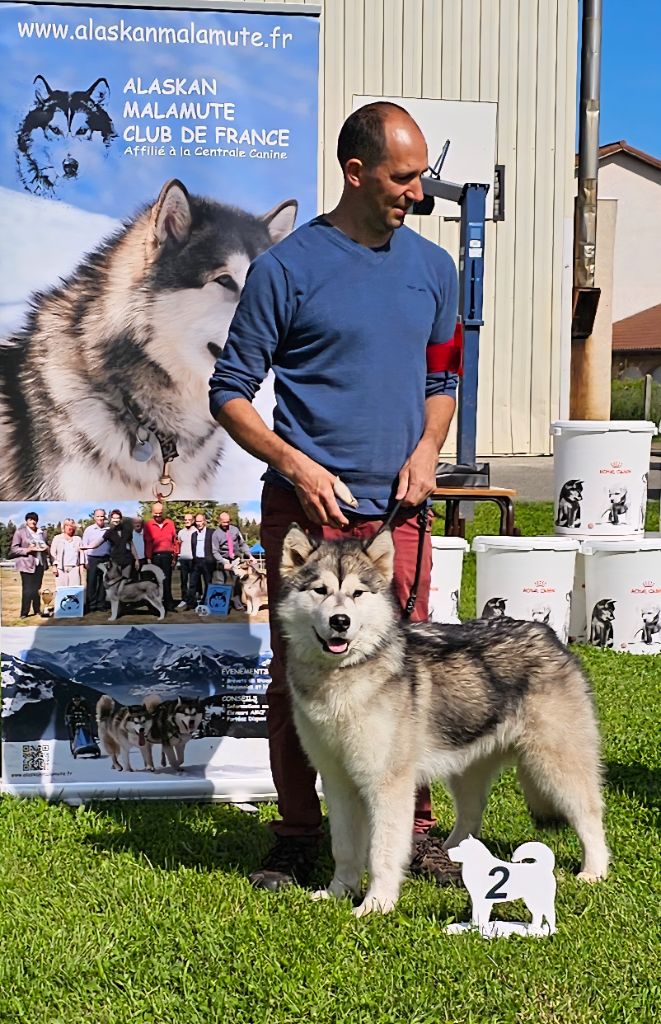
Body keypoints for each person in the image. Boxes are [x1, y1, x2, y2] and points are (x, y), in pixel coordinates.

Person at [209, 101, 459, 891]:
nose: (417, 193)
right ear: (356, 172)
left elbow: (444, 378)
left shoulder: (433, 270)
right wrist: (296, 464)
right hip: (306, 514)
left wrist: (427, 449)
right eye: (402, 177)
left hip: (396, 515)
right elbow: (229, 392)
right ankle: (297, 834)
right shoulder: (285, 269)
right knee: (302, 671)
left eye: (420, 177)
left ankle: (410, 833)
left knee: (405, 674)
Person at [212, 510, 257, 610]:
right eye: (224, 522)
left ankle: (238, 603)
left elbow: (242, 544)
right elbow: (215, 551)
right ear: (219, 521)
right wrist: (223, 562)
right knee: (221, 582)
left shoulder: (235, 530)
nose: (226, 524)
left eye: (228, 522)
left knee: (237, 582)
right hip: (223, 559)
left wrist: (249, 555)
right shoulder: (216, 534)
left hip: (236, 559)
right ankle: (222, 605)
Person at [10, 510, 50, 618]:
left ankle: (37, 610)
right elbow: (14, 549)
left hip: (39, 564)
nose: (33, 522)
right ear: (26, 521)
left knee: (37, 589)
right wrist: (27, 550)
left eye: (35, 520)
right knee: (27, 590)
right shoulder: (20, 532)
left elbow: (46, 546)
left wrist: (47, 549)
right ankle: (24, 613)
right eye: (31, 519)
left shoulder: (42, 533)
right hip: (26, 565)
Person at [143, 502, 179, 611]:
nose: (158, 515)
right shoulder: (148, 524)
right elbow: (147, 542)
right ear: (152, 512)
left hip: (167, 556)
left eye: (160, 513)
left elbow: (175, 541)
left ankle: (169, 604)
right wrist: (148, 558)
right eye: (156, 513)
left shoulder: (170, 523)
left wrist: (174, 557)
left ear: (163, 512)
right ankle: (155, 605)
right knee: (155, 582)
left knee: (166, 580)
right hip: (155, 557)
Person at [81, 509, 111, 613]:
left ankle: (101, 604)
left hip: (105, 558)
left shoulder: (108, 529)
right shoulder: (89, 530)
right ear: (94, 517)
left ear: (105, 517)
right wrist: (85, 561)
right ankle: (91, 605)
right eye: (98, 516)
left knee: (103, 583)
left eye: (102, 516)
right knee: (91, 582)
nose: (100, 518)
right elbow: (84, 545)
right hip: (92, 559)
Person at [185, 512, 216, 609]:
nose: (199, 523)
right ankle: (190, 604)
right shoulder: (194, 534)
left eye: (201, 521)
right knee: (192, 583)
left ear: (205, 521)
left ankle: (206, 602)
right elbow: (193, 548)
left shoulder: (212, 532)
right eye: (197, 521)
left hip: (208, 562)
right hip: (196, 562)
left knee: (208, 583)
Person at [50, 518, 84, 586]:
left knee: (74, 591)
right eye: (67, 525)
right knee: (62, 591)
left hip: (74, 568)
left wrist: (81, 566)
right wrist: (54, 566)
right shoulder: (57, 538)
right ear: (63, 527)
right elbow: (52, 553)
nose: (69, 527)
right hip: (61, 569)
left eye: (71, 525)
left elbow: (81, 554)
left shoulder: (78, 539)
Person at [176, 512, 196, 610]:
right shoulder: (180, 532)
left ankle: (192, 601)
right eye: (185, 520)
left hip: (193, 559)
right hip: (183, 560)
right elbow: (178, 545)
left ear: (192, 521)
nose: (187, 521)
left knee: (193, 582)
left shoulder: (196, 531)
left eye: (189, 520)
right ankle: (184, 599)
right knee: (183, 581)